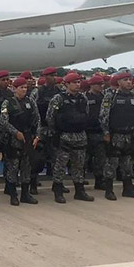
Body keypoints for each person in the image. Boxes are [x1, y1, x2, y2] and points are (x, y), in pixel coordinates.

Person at [46, 72, 94, 203]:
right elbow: (50, 117)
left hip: (79, 135)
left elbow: (86, 115)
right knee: (60, 165)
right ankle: (58, 191)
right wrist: (56, 133)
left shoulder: (83, 99)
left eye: (78, 82)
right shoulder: (58, 98)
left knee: (79, 165)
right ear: (66, 84)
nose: (77, 85)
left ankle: (79, 191)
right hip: (64, 136)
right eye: (74, 82)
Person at [100, 72, 134, 200]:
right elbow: (104, 116)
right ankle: (109, 190)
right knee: (112, 163)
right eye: (125, 80)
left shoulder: (133, 96)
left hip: (130, 135)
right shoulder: (110, 96)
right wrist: (106, 133)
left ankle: (128, 188)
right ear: (118, 82)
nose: (129, 82)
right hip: (115, 135)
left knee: (128, 163)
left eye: (130, 80)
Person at [0, 77, 40, 205]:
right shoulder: (8, 103)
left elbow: (37, 119)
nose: (24, 90)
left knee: (26, 167)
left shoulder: (30, 101)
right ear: (15, 89)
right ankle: (13, 195)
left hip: (28, 138)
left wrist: (37, 136)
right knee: (13, 168)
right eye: (21, 87)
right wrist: (15, 132)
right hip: (14, 139)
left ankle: (25, 194)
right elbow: (3, 122)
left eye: (25, 88)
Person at [85, 75, 107, 190]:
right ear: (92, 85)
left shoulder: (105, 97)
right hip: (87, 132)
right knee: (84, 158)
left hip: (100, 132)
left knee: (100, 158)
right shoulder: (85, 97)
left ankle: (99, 180)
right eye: (98, 84)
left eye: (102, 84)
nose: (101, 86)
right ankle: (81, 180)